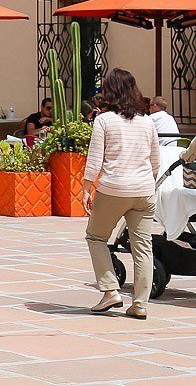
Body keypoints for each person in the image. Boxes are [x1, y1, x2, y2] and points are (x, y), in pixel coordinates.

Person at [83, 67, 161, 320]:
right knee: (143, 248)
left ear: (109, 92)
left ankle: (110, 291)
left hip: (114, 188)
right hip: (144, 190)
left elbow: (95, 160)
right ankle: (140, 304)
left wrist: (86, 188)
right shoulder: (147, 121)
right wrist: (147, 183)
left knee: (96, 237)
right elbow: (155, 161)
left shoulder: (104, 120)